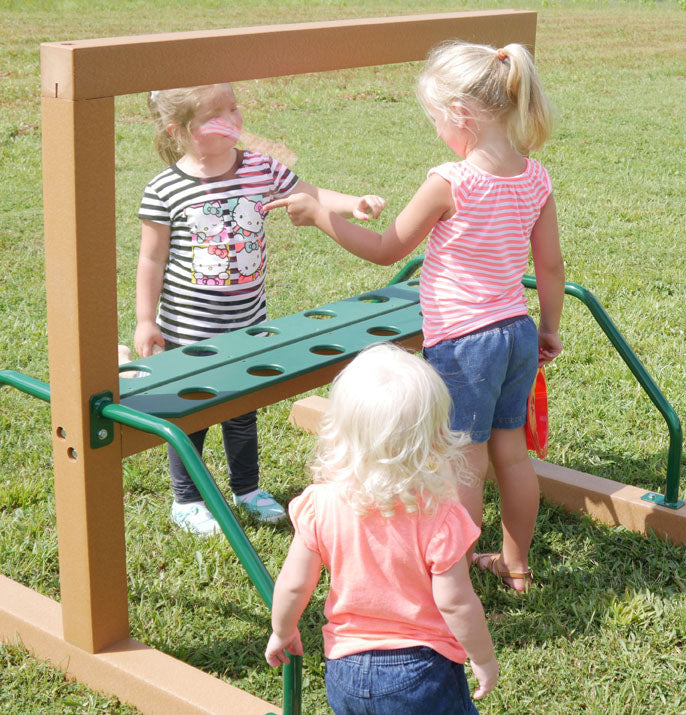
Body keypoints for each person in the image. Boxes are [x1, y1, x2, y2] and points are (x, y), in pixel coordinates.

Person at [266, 42, 565, 591]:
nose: (436, 131)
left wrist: (321, 216)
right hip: (517, 332)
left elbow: (386, 248)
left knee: (466, 463)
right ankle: (517, 565)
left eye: (435, 120)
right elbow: (549, 265)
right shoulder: (534, 177)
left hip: (465, 342)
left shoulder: (451, 181)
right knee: (513, 455)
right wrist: (549, 327)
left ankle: (459, 583)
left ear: (460, 115)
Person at [136, 83, 385, 536]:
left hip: (248, 321)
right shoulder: (165, 189)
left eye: (235, 109)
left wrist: (355, 204)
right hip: (189, 329)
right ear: (182, 131)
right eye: (219, 115)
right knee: (191, 411)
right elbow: (151, 259)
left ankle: (247, 489)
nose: (235, 121)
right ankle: (186, 499)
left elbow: (310, 192)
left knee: (242, 407)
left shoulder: (258, 168)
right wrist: (144, 321)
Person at [265, 344, 498, 713]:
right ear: (436, 438)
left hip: (345, 668)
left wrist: (282, 630)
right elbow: (455, 602)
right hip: (423, 670)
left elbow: (294, 583)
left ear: (339, 432)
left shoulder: (319, 504)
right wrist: (483, 657)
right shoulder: (441, 516)